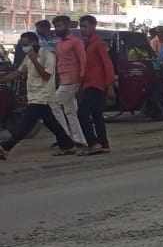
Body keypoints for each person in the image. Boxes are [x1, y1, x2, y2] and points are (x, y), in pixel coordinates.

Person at [0, 32, 76, 160]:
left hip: (44, 95)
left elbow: (46, 76)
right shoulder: (27, 58)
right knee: (51, 122)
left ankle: (6, 147)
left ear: (34, 43)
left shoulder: (48, 56)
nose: (24, 47)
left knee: (26, 124)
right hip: (34, 95)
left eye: (26, 44)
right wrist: (2, 79)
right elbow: (17, 73)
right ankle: (67, 144)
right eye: (22, 44)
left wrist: (34, 59)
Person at [77, 15, 116, 153]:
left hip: (96, 84)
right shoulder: (85, 44)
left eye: (85, 26)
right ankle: (103, 144)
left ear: (93, 26)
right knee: (96, 115)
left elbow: (107, 64)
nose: (82, 29)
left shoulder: (98, 43)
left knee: (82, 113)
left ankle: (93, 143)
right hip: (89, 84)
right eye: (81, 26)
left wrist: (110, 85)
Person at [50, 15, 87, 149]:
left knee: (53, 104)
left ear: (68, 26)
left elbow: (83, 60)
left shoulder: (76, 41)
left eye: (60, 26)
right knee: (70, 111)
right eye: (56, 26)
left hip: (73, 79)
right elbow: (59, 63)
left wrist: (82, 79)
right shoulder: (59, 43)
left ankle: (66, 137)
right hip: (63, 79)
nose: (57, 29)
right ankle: (79, 139)